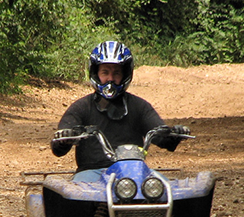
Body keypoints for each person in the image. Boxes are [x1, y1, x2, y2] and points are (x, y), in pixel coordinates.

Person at [51, 40, 190, 182]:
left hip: (134, 171)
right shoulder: (81, 107)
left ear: (125, 75)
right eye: (105, 72)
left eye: (116, 73)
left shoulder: (139, 106)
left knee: (166, 188)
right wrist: (65, 138)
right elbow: (58, 147)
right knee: (77, 192)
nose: (110, 79)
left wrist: (174, 134)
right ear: (95, 73)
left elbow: (161, 136)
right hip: (91, 172)